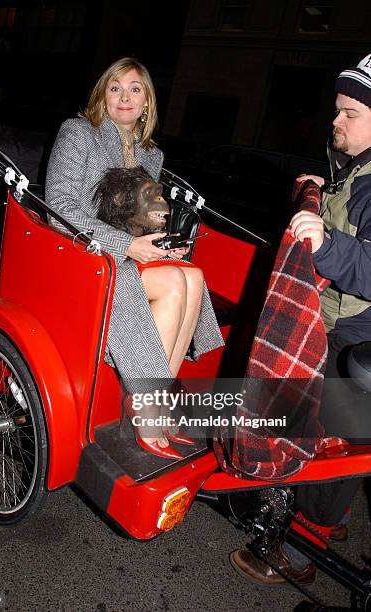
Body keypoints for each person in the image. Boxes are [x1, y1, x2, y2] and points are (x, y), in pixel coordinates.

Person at [230, 53, 371, 585]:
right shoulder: (357, 173)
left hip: (357, 332)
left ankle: (300, 553)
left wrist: (326, 243)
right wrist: (322, 190)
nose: (336, 121)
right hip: (350, 323)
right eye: (338, 110)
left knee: (325, 434)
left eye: (349, 113)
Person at [45, 57, 224, 459]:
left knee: (191, 275)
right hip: (81, 252)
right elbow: (57, 205)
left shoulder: (151, 156)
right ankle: (148, 406)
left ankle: (153, 402)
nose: (124, 97)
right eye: (115, 88)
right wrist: (125, 246)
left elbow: (140, 221)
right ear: (102, 95)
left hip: (125, 254)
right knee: (176, 284)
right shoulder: (79, 133)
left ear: (147, 103)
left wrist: (162, 244)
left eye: (135, 89)